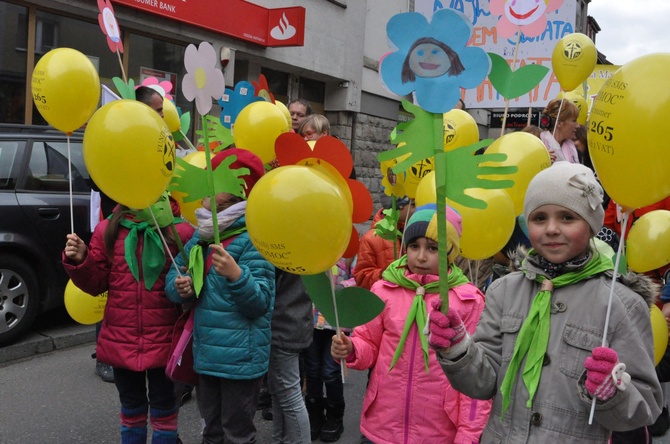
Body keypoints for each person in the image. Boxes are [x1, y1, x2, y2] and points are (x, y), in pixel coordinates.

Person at [428, 162, 663, 442]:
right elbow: (485, 382)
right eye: (539, 218)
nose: (551, 229)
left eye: (567, 217)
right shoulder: (504, 291)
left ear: (591, 226)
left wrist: (612, 392)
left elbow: (645, 406)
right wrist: (459, 350)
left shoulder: (622, 304)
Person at [331, 204, 491, 443]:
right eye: (414, 246)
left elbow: (476, 378)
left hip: (438, 431)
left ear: (451, 252)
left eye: (433, 248)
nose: (421, 256)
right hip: (383, 425)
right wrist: (353, 348)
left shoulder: (467, 300)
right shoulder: (385, 289)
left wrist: (468, 434)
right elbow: (369, 343)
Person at [63, 194, 195, 444]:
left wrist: (189, 286)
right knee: (131, 409)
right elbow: (97, 284)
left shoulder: (180, 231)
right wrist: (82, 260)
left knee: (165, 409)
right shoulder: (108, 229)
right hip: (121, 339)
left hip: (165, 339)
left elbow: (196, 281)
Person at [165, 148, 275, 444]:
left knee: (237, 434)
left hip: (241, 362)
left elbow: (260, 303)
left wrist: (237, 275)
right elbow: (175, 275)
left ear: (238, 198)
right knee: (211, 431)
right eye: (207, 192)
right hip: (207, 357)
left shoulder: (254, 239)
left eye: (216, 194)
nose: (206, 199)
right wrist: (179, 286)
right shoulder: (202, 237)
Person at [90, 85, 168, 384]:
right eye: (159, 110)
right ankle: (108, 354)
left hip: (154, 226)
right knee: (119, 289)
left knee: (145, 295)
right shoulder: (124, 141)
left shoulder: (159, 141)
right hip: (122, 225)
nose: (163, 115)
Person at [304, 257, 355, 442]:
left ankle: (335, 417)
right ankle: (315, 415)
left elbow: (360, 278)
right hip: (311, 321)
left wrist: (344, 285)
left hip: (337, 323)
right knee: (312, 370)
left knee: (330, 371)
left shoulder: (349, 251)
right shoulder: (312, 248)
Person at [268, 270, 314, 443]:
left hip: (283, 323)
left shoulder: (284, 248)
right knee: (280, 392)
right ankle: (281, 439)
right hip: (295, 320)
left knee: (289, 395)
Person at [354, 195, 415, 290]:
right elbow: (362, 278)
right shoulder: (371, 238)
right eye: (413, 205)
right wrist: (386, 274)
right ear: (400, 206)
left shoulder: (416, 233)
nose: (418, 209)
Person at [539, 98, 581, 164]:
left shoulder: (574, 149)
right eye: (574, 121)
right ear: (559, 123)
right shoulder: (538, 146)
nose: (578, 126)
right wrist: (541, 162)